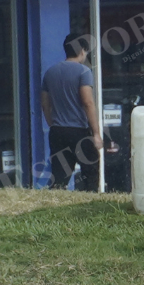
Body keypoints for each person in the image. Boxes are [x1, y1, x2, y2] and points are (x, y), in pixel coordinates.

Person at [42, 33, 104, 191]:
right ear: (82, 51)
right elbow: (88, 102)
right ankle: (90, 205)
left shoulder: (50, 72)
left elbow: (45, 103)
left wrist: (52, 124)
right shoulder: (83, 72)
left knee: (59, 176)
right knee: (91, 171)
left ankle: (56, 207)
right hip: (79, 132)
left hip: (57, 132)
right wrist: (96, 133)